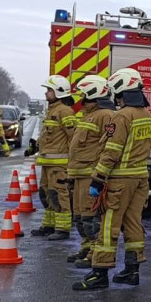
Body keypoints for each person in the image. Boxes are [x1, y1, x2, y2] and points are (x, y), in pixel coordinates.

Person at [73, 68, 151, 290]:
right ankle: (132, 270)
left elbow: (112, 150)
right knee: (133, 223)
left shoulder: (122, 116)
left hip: (119, 180)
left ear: (121, 88)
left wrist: (98, 179)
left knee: (108, 225)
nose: (115, 97)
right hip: (140, 178)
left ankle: (99, 273)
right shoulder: (147, 115)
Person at [64, 75, 115, 267]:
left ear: (93, 93)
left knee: (90, 218)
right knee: (79, 217)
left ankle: (94, 252)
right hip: (78, 175)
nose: (81, 98)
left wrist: (100, 176)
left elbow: (109, 145)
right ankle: (86, 247)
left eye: (84, 93)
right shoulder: (88, 114)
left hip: (89, 175)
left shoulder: (106, 115)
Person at [29, 75, 77, 240]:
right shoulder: (52, 111)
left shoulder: (65, 111)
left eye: (49, 90)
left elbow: (73, 138)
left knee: (59, 194)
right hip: (48, 163)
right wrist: (35, 146)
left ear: (59, 91)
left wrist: (72, 163)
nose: (46, 93)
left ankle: (62, 229)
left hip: (59, 164)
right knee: (46, 194)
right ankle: (49, 225)